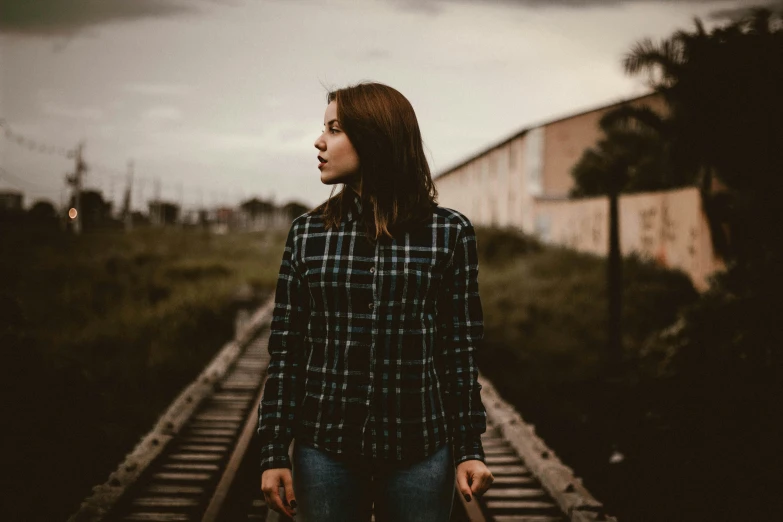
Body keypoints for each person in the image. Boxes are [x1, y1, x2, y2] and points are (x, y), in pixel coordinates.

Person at [257, 82, 493, 521]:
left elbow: (458, 350)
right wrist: (273, 450)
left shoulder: (449, 233)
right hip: (325, 449)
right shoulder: (307, 234)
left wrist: (468, 448)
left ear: (375, 137)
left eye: (335, 129)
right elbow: (286, 350)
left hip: (419, 450)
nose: (319, 141)